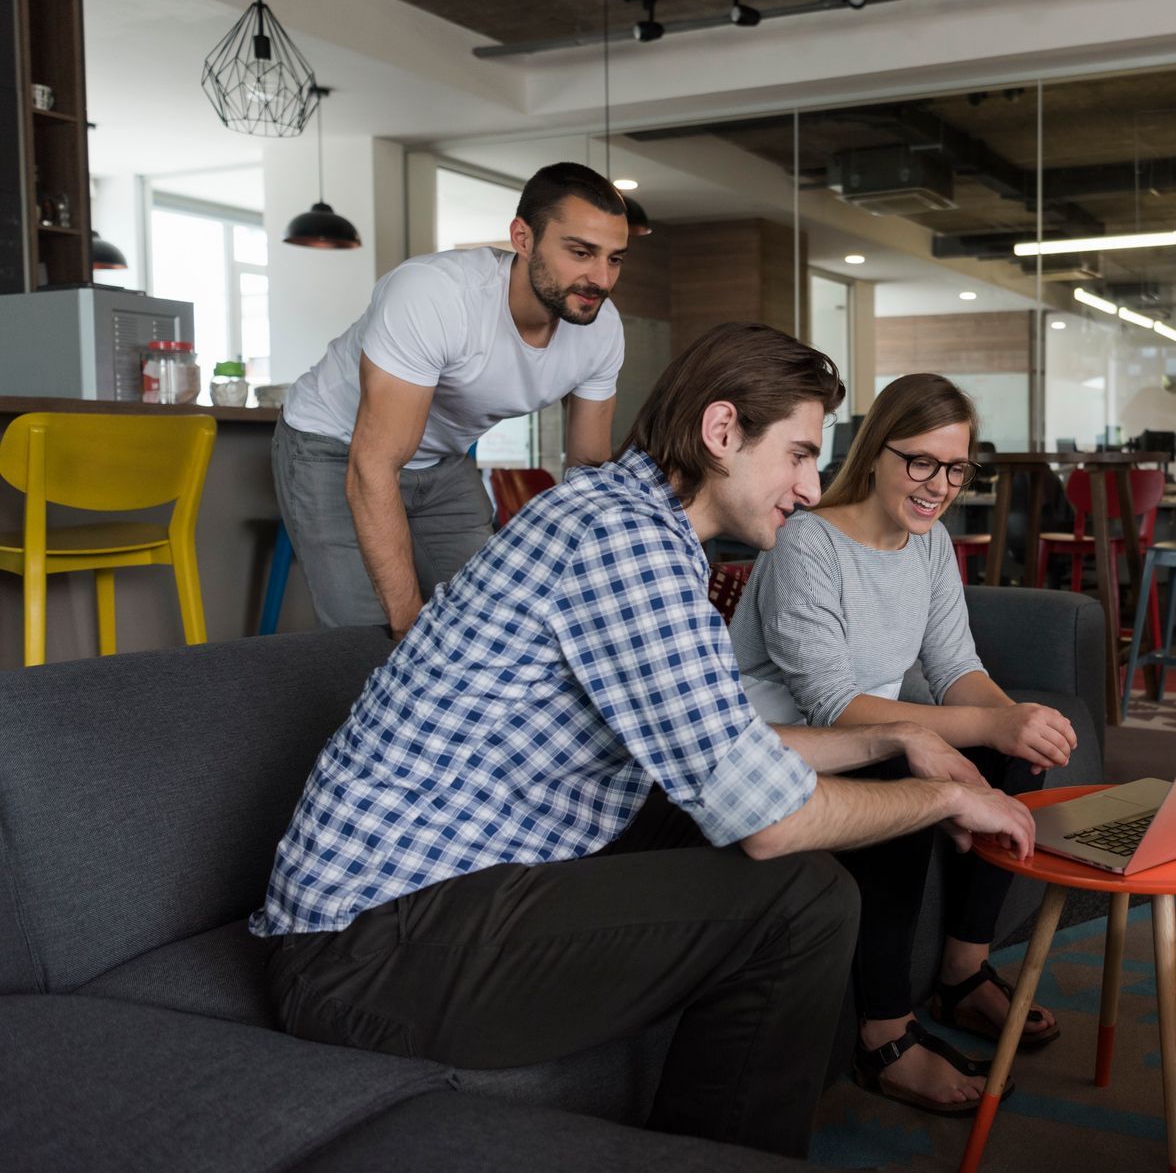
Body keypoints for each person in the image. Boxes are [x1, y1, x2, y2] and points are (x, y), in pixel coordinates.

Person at [248, 324, 1038, 1160]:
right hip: (366, 947)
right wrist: (947, 795)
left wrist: (899, 744)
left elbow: (725, 742)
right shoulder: (621, 543)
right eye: (799, 456)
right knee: (798, 899)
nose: (810, 488)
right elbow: (767, 816)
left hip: (459, 889)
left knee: (805, 837)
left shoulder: (631, 526)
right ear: (722, 431)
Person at [729, 373, 1079, 1116]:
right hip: (790, 746)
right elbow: (833, 705)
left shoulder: (929, 544)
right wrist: (981, 728)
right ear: (874, 451)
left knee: (1013, 745)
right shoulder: (807, 542)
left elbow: (955, 669)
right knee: (904, 770)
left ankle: (962, 971)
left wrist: (1015, 721)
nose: (939, 485)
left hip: (882, 727)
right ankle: (883, 1033)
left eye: (955, 468)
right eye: (921, 461)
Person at [273, 161, 630, 635]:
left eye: (614, 258)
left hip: (442, 460)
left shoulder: (600, 329)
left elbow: (588, 472)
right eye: (581, 252)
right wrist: (405, 622)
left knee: (487, 626)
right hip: (336, 447)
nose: (600, 279)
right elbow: (374, 464)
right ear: (522, 238)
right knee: (367, 637)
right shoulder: (436, 295)